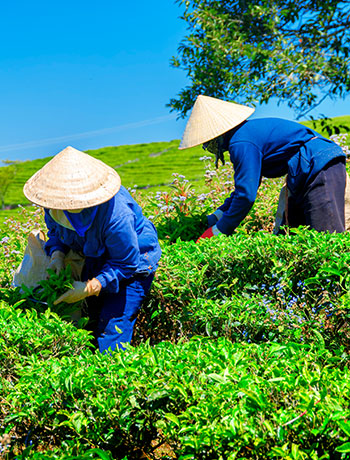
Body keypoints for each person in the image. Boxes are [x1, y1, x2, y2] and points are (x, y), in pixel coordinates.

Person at [23, 146, 161, 353]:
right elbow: (56, 234)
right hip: (94, 256)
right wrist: (57, 257)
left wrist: (89, 288)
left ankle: (114, 376)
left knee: (112, 326)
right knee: (91, 318)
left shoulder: (116, 216)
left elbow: (125, 263)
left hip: (133, 263)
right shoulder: (52, 205)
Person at [178, 95, 346, 239]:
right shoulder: (245, 135)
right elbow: (243, 190)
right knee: (292, 233)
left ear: (218, 134)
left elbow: (246, 196)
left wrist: (218, 231)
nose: (209, 146)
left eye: (208, 141)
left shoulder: (241, 142)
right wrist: (215, 217)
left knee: (325, 233)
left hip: (318, 165)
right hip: (306, 169)